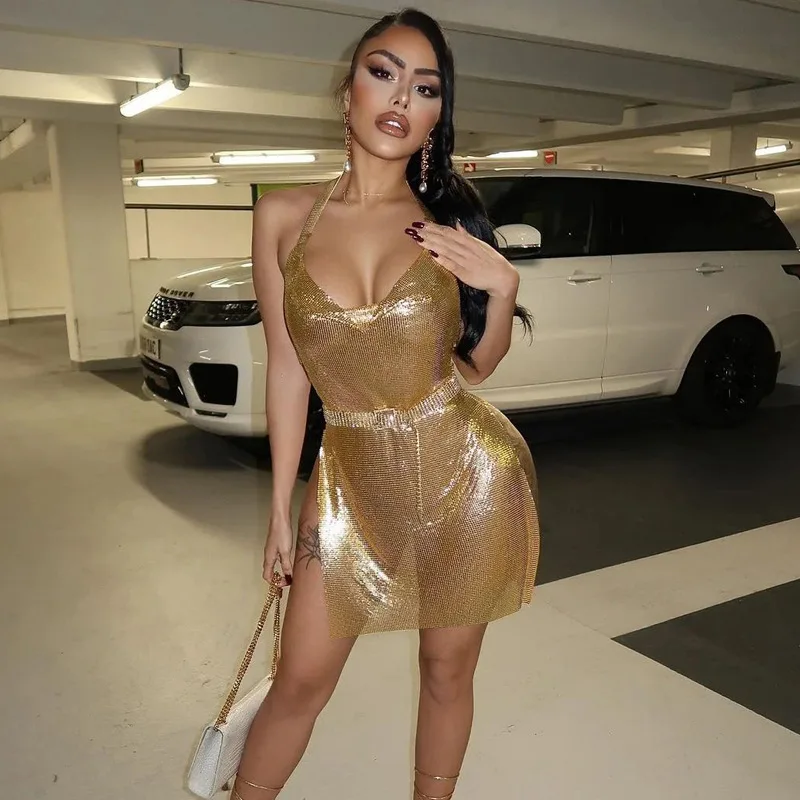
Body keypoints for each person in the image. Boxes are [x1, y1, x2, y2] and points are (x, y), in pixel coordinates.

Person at [232, 8, 540, 799]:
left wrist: (503, 290)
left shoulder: (445, 228)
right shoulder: (282, 217)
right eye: (384, 72)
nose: (403, 96)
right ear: (348, 93)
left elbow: (475, 369)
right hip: (349, 477)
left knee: (446, 669)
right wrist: (281, 507)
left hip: (465, 475)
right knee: (299, 680)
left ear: (437, 117)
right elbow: (288, 369)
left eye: (426, 87)